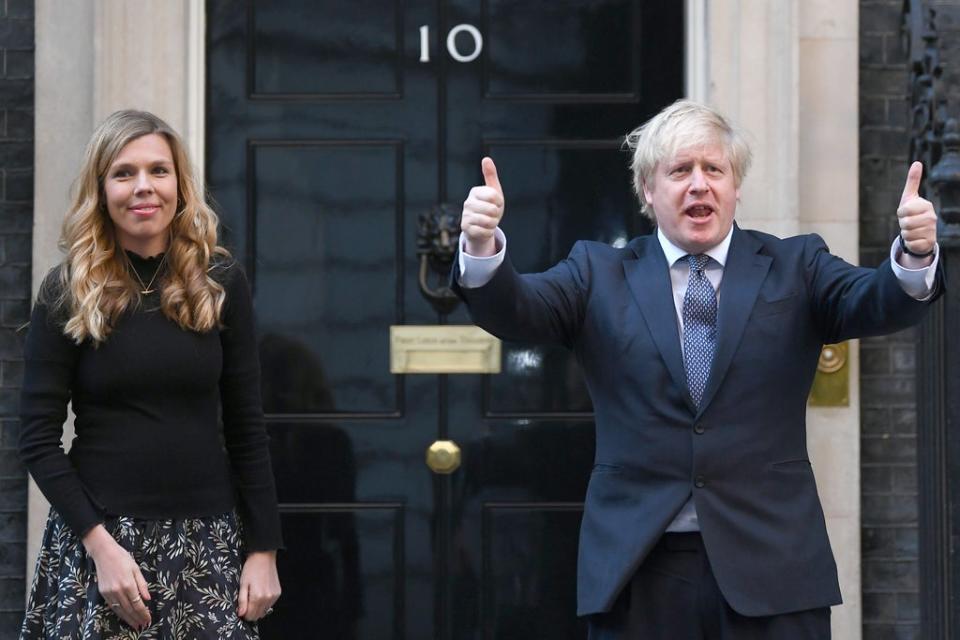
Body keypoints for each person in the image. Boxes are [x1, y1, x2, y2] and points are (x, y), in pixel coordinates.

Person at [453, 100, 942, 639]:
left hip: (772, 566)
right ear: (648, 191)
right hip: (640, 570)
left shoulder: (796, 266)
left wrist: (913, 256)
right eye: (680, 170)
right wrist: (482, 248)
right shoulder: (597, 272)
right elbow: (516, 309)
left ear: (736, 187)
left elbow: (874, 300)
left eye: (715, 170)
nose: (699, 185)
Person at [18, 110, 282, 638]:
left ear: (180, 185)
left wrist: (263, 549)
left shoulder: (219, 281)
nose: (144, 188)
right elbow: (36, 438)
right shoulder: (68, 289)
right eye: (124, 173)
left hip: (207, 541)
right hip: (101, 544)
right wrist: (100, 547)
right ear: (101, 189)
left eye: (159, 171)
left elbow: (247, 427)